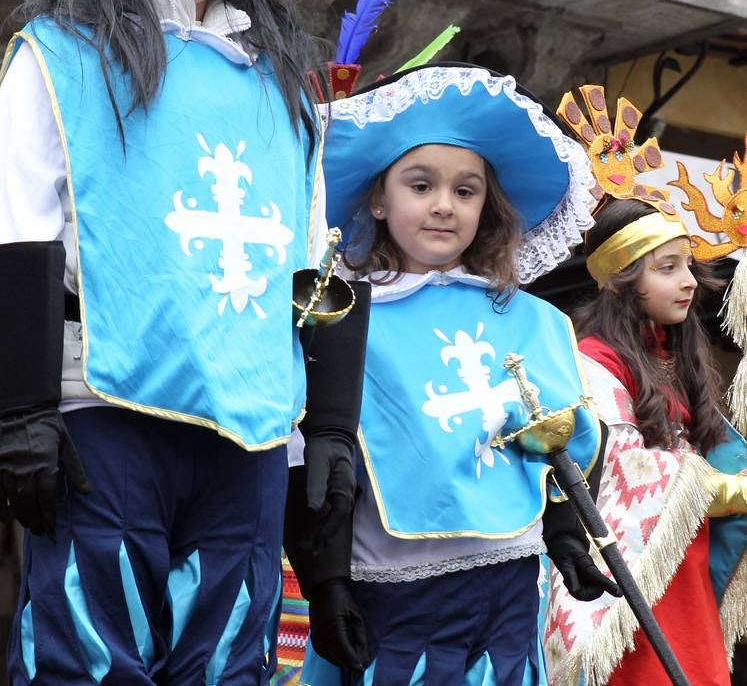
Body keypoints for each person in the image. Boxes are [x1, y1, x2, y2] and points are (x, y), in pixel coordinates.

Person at [0, 0, 361, 684]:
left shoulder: (284, 89)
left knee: (229, 662)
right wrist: (23, 415)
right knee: (89, 657)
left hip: (247, 431)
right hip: (105, 409)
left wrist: (324, 435)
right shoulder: (58, 54)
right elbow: (7, 230)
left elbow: (314, 265)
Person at [286, 63, 613, 686]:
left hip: (508, 582)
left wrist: (568, 536)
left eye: (466, 191)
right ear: (379, 199)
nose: (444, 206)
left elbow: (566, 439)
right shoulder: (344, 317)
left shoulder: (532, 320)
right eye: (421, 185)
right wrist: (325, 583)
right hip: (389, 585)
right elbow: (312, 461)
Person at [542, 87, 747, 685]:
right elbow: (621, 474)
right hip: (630, 580)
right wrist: (732, 493)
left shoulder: (679, 357)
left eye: (688, 265)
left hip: (686, 566)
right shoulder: (593, 360)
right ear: (622, 280)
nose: (689, 282)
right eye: (667, 268)